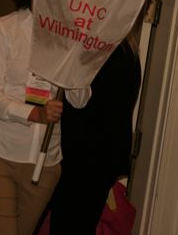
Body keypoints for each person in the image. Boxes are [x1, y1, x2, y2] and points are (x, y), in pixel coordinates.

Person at [0, 0, 91, 235]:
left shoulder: (70, 37)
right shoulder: (4, 29)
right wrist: (34, 113)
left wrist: (76, 60)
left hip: (44, 165)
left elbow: (81, 98)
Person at [46, 32, 141, 235]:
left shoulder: (99, 50)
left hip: (81, 157)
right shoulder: (128, 51)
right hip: (101, 159)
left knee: (66, 225)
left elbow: (84, 107)